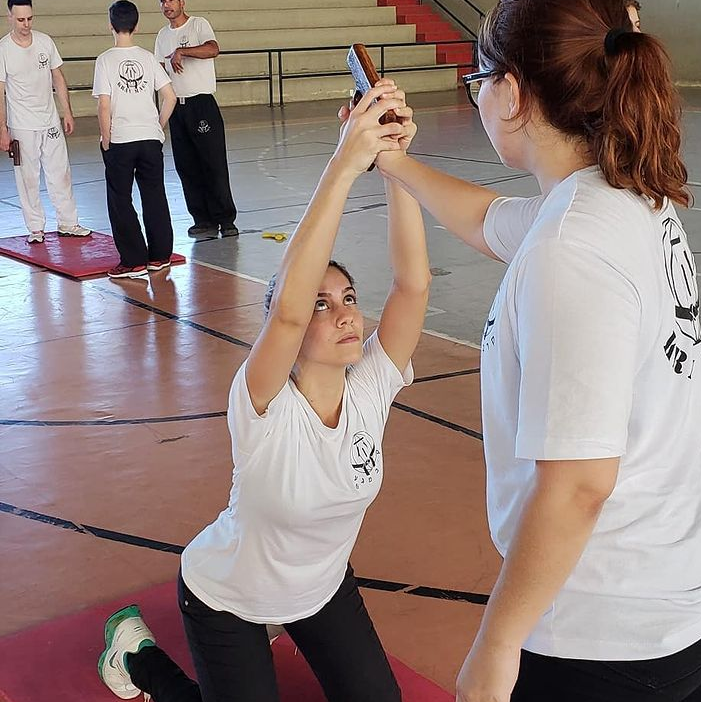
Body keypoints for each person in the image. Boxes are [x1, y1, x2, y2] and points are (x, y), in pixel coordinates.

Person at [377, 0, 701, 700]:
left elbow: (579, 485)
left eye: (479, 80)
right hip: (658, 600)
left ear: (514, 91)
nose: (478, 97)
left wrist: (496, 646)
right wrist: (395, 163)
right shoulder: (622, 198)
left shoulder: (571, 248)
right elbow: (490, 219)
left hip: (594, 629)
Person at [97, 81, 430, 701]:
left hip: (321, 586)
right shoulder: (262, 404)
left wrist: (392, 162)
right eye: (320, 305)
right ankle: (137, 656)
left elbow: (412, 286)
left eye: (349, 300)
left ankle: (284, 625)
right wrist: (342, 161)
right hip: (228, 594)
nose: (345, 315)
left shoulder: (371, 388)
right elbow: (285, 314)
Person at [92, 1, 177, 279]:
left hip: (122, 140)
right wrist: (158, 126)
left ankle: (133, 260)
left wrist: (106, 139)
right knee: (154, 195)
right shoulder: (147, 58)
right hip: (150, 139)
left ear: (110, 25)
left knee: (120, 199)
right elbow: (170, 97)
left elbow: (104, 106)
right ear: (137, 26)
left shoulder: (105, 60)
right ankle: (160, 256)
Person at [0, 0, 91, 244]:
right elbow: (0, 91)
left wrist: (67, 112)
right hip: (21, 124)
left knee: (61, 172)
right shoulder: (3, 49)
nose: (26, 24)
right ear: (9, 17)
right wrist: (2, 129)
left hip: (49, 120)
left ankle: (68, 222)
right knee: (27, 177)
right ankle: (36, 228)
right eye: (20, 20)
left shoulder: (45, 41)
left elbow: (58, 77)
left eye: (29, 18)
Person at [155, 0, 238, 239]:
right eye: (162, 2)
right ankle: (202, 219)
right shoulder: (162, 35)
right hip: (176, 107)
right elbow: (159, 70)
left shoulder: (198, 25)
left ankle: (225, 219)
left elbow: (212, 49)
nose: (167, 5)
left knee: (213, 163)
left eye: (171, 0)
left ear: (181, 2)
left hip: (200, 104)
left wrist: (183, 51)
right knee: (186, 166)